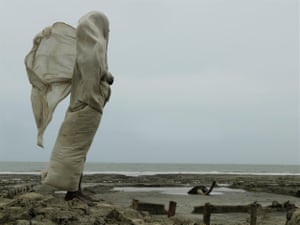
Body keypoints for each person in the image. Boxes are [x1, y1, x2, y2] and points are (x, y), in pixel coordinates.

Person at [25, 11, 113, 205]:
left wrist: (105, 79)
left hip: (84, 105)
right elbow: (93, 80)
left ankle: (75, 190)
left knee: (78, 151)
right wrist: (106, 81)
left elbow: (95, 75)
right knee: (75, 151)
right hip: (87, 106)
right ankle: (73, 192)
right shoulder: (92, 49)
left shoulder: (88, 49)